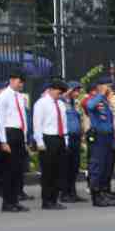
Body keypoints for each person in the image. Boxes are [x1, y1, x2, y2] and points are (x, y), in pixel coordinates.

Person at [0, 74, 30, 213]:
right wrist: (2, 141)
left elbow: (24, 118)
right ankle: (7, 203)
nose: (21, 85)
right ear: (12, 80)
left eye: (23, 83)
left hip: (19, 133)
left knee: (18, 170)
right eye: (20, 82)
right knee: (9, 170)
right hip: (9, 133)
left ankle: (15, 200)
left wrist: (25, 138)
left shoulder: (20, 97)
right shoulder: (3, 96)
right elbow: (0, 120)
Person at [35, 79, 70, 210]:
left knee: (58, 170)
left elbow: (64, 123)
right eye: (59, 92)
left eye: (61, 93)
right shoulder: (41, 103)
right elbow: (37, 124)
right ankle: (47, 200)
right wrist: (39, 142)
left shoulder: (60, 104)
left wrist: (65, 140)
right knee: (48, 171)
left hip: (59, 138)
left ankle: (54, 199)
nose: (59, 95)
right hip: (47, 138)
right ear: (51, 89)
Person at [84, 80, 115, 207]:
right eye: (107, 86)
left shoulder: (105, 101)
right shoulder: (94, 99)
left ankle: (103, 193)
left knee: (105, 166)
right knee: (97, 166)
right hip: (98, 136)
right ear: (100, 87)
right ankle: (96, 196)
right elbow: (89, 106)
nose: (110, 88)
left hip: (108, 137)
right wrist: (101, 93)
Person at [61, 86, 85, 203]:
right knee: (66, 167)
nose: (77, 93)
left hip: (76, 137)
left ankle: (73, 192)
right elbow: (60, 99)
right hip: (67, 137)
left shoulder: (75, 103)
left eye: (78, 91)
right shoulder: (62, 102)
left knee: (75, 167)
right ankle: (65, 193)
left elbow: (79, 119)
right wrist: (66, 93)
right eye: (75, 91)